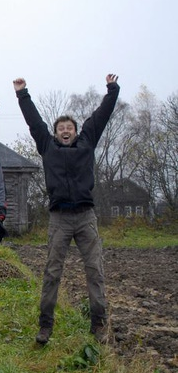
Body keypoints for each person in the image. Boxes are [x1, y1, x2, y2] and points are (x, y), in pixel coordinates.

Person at [14, 74, 120, 345]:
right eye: (60, 127)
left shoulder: (87, 143)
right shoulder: (47, 146)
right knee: (52, 272)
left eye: (69, 127)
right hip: (59, 217)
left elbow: (102, 115)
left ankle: (98, 323)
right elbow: (34, 122)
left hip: (85, 216)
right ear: (55, 132)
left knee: (94, 269)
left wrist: (112, 89)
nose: (65, 130)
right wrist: (22, 94)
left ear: (75, 130)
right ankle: (45, 326)